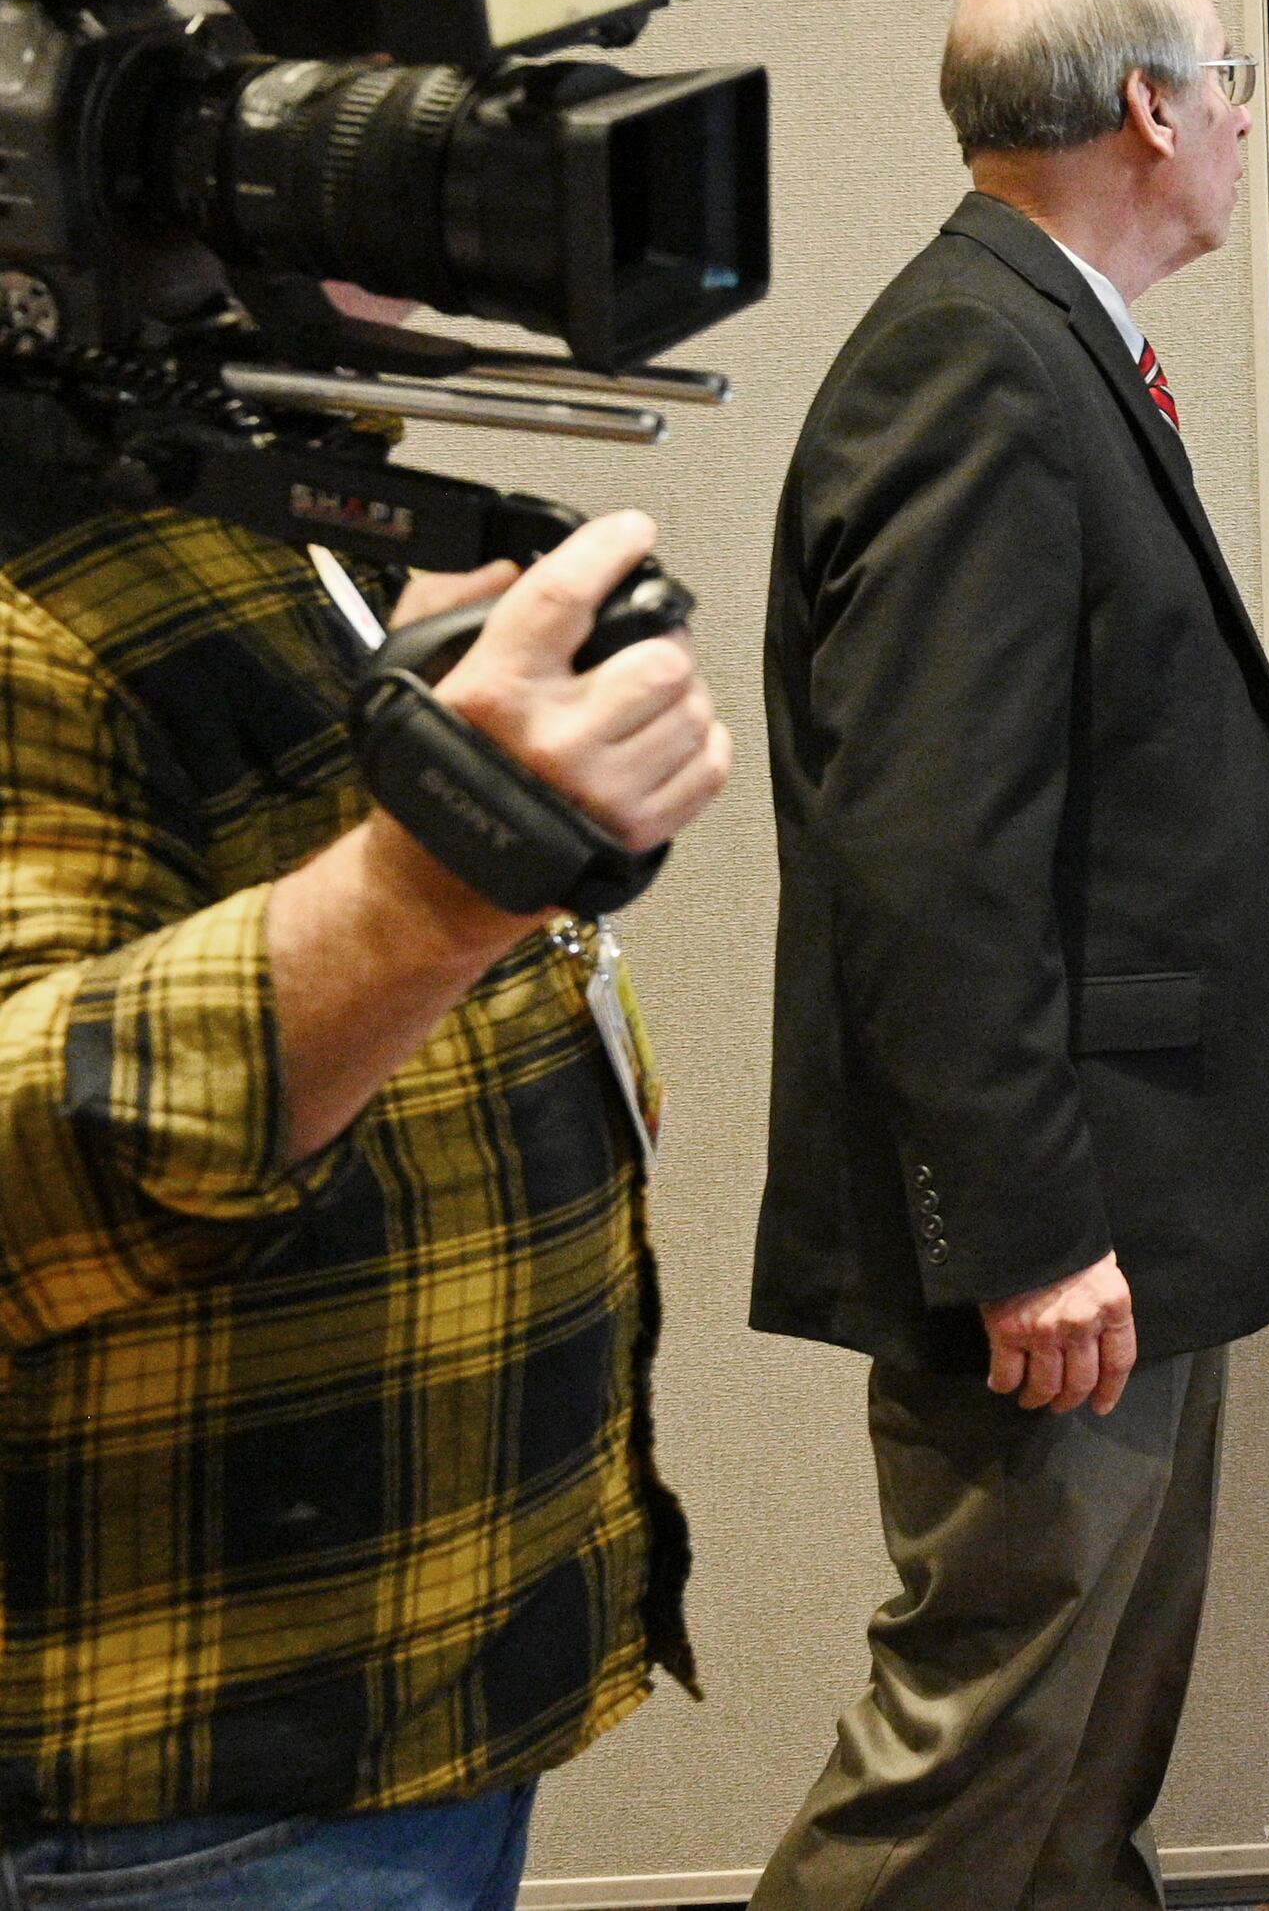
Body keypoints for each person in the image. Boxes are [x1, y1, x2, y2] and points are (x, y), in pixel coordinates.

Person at [751, 0, 1269, 1911]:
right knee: (981, 1727)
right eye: (1232, 76)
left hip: (1137, 1186)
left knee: (1085, 1741)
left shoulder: (1048, 328)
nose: (1248, 117)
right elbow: (931, 853)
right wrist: (1026, 1235)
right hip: (1054, 1223)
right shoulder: (974, 364)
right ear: (1150, 109)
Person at [0, 469, 731, 1905]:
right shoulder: (39, 582)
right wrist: (425, 889)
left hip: (409, 1704)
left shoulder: (230, 471)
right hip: (182, 1783)